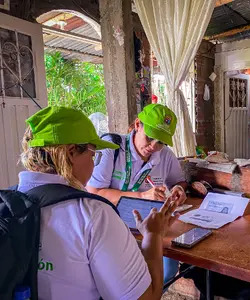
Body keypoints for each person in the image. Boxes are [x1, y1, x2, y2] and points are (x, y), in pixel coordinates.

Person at [18, 106, 179, 300]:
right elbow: (146, 297)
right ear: (70, 152)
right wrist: (153, 235)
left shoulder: (1, 204)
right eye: (93, 155)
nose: (95, 164)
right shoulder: (94, 215)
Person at [86, 103, 187, 284]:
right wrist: (141, 196)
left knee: (167, 271)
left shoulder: (165, 156)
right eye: (150, 138)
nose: (154, 147)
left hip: (150, 225)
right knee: (123, 277)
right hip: (112, 224)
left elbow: (178, 182)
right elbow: (95, 192)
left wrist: (179, 189)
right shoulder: (111, 149)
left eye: (161, 142)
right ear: (137, 124)